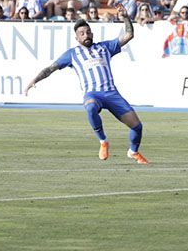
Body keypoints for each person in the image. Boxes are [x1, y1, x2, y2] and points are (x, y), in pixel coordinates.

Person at [24, 15, 148, 165]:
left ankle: (133, 151)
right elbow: (50, 69)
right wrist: (35, 80)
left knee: (137, 126)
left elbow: (129, 34)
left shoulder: (105, 47)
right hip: (93, 94)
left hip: (112, 93)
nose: (86, 35)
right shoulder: (72, 54)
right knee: (90, 107)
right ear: (77, 38)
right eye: (82, 33)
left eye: (88, 32)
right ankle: (103, 141)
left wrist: (125, 17)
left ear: (92, 34)